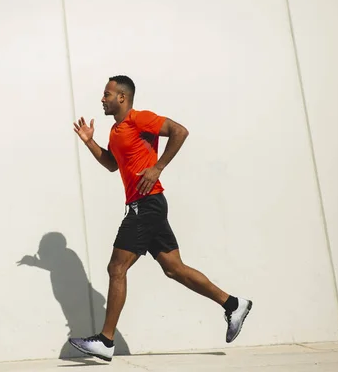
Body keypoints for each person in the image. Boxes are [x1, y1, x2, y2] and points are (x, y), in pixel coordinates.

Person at [68, 75, 252, 362]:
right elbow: (112, 165)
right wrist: (90, 142)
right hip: (147, 205)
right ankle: (233, 304)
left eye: (107, 94)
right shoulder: (116, 131)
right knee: (174, 268)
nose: (102, 99)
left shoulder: (140, 119)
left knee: (117, 267)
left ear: (122, 98)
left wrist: (158, 167)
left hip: (147, 203)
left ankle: (105, 340)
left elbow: (180, 131)